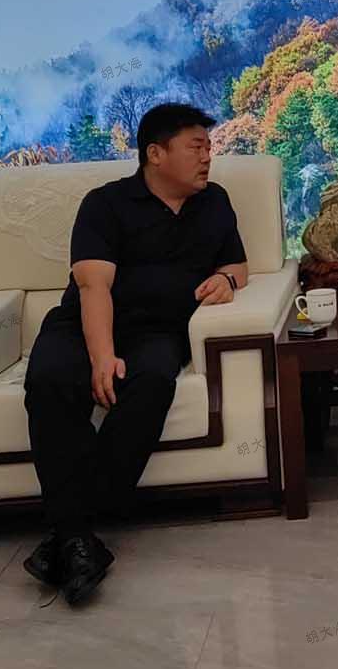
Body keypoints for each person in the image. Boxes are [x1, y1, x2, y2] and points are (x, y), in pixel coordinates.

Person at [21, 103, 249, 603]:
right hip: (83, 325)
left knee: (152, 382)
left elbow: (238, 264)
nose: (207, 157)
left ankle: (69, 536)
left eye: (209, 147)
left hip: (158, 333)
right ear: (156, 154)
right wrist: (102, 357)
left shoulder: (214, 203)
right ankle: (78, 540)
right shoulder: (105, 204)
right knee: (50, 379)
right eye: (196, 147)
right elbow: (93, 286)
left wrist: (227, 280)